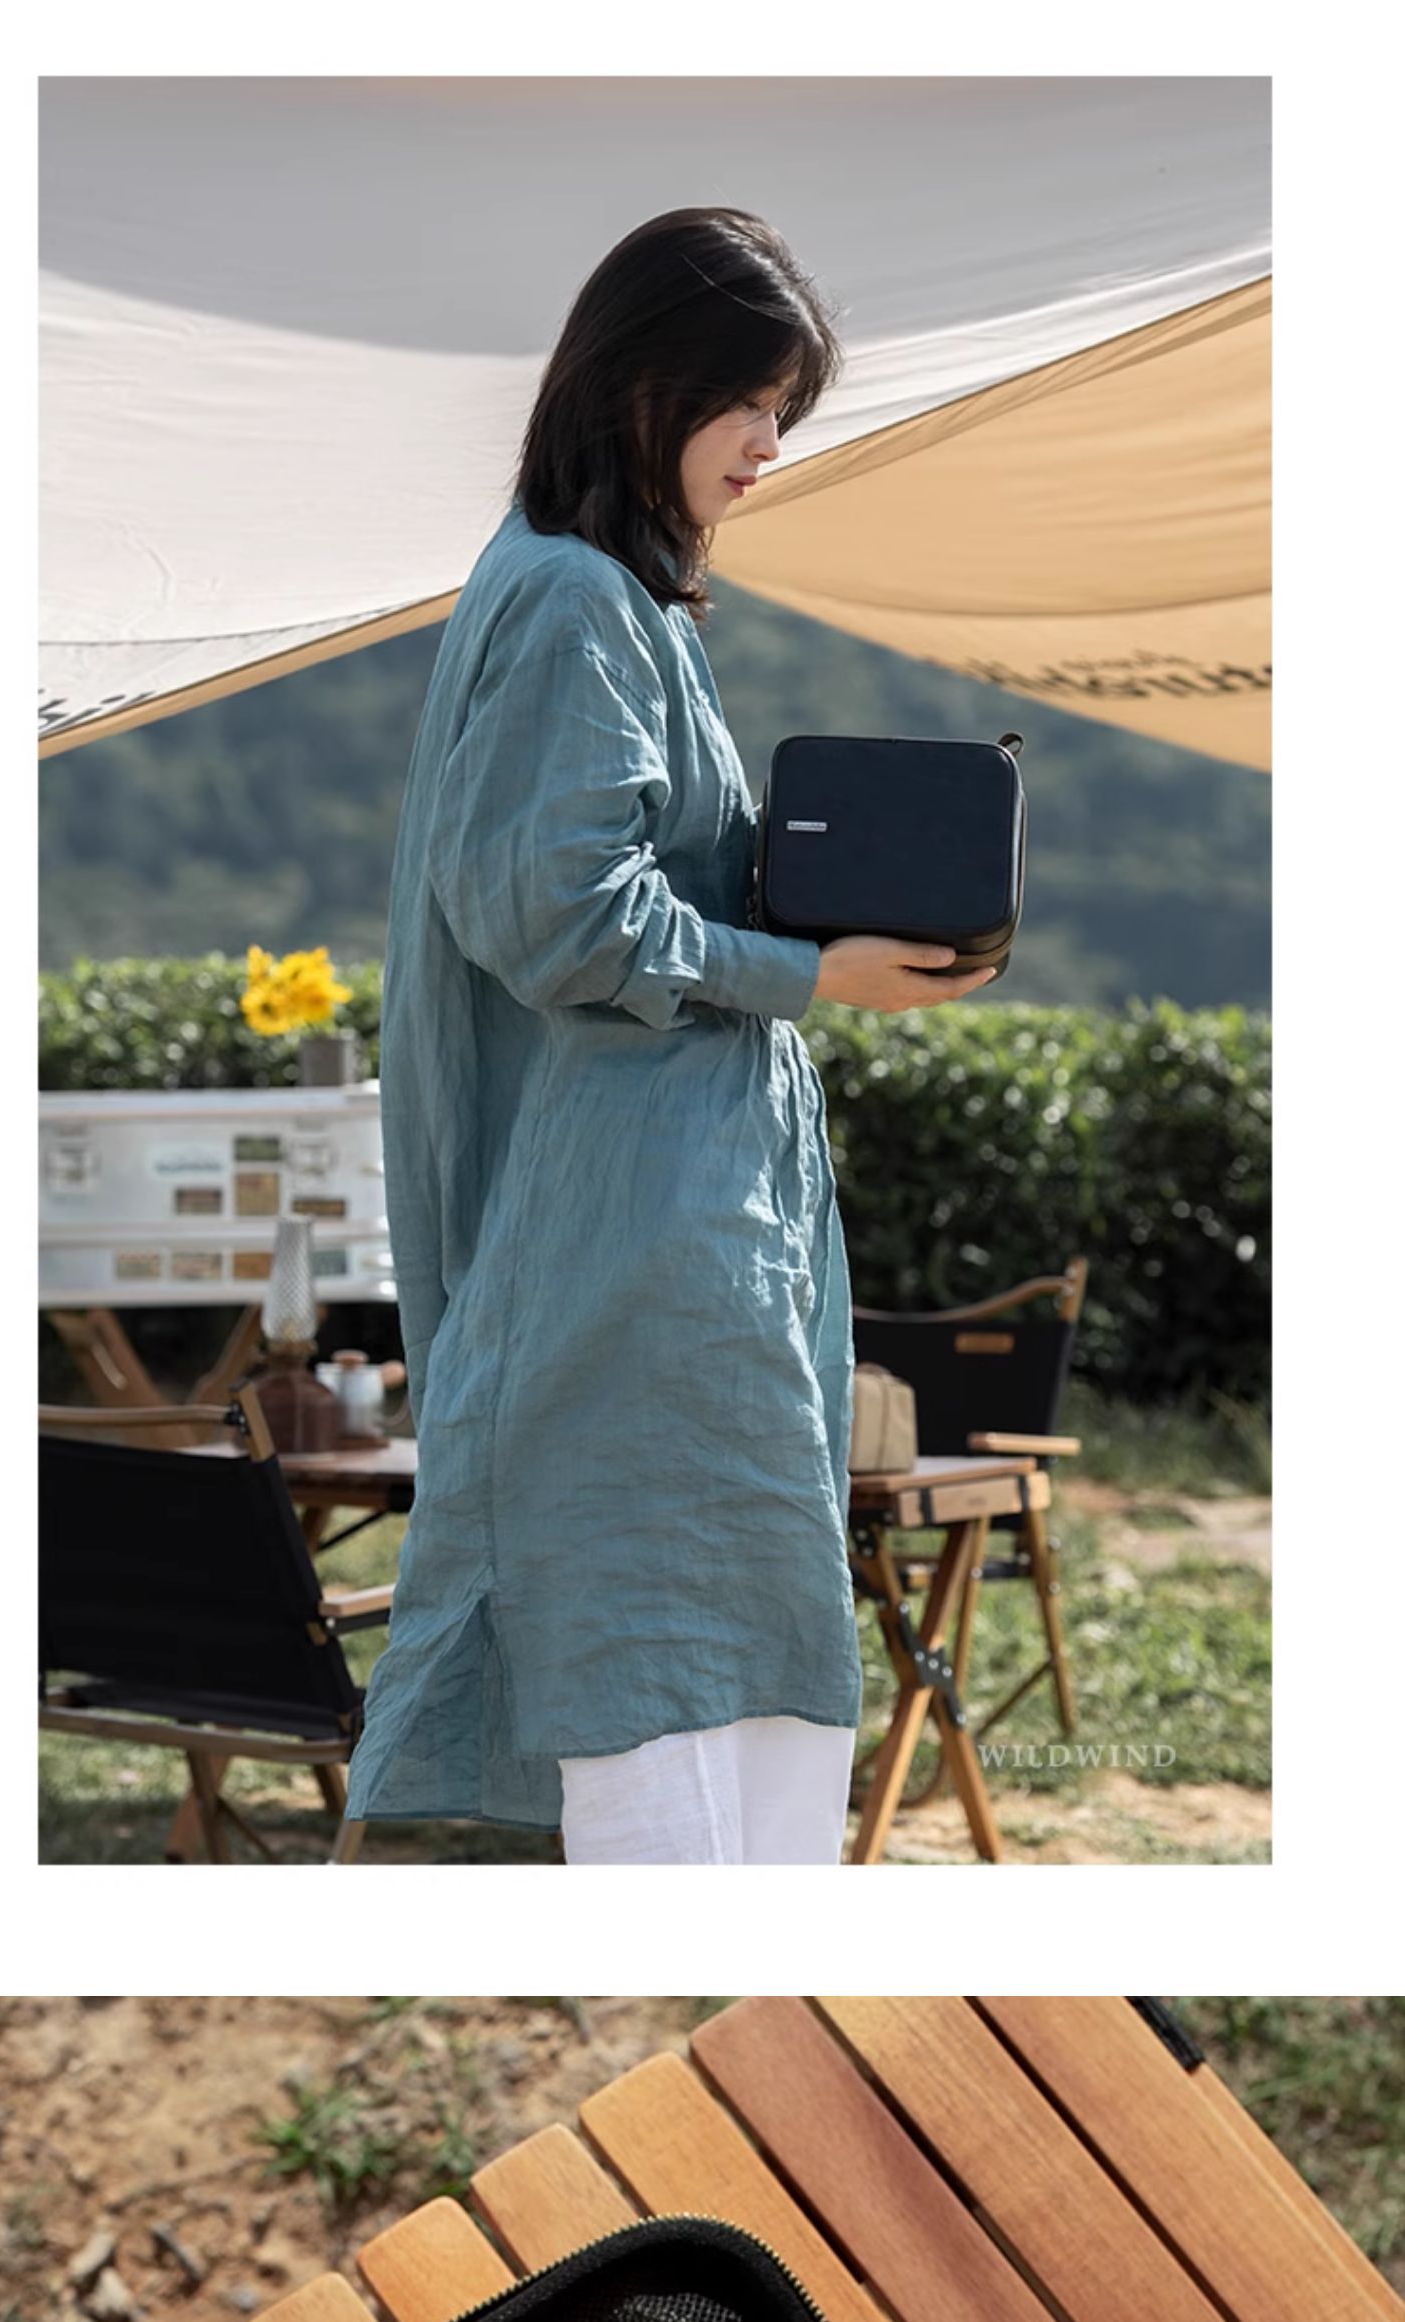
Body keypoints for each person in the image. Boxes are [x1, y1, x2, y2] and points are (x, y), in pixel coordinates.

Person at [342, 207, 997, 1864]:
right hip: (636, 1251)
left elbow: (597, 887)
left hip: (668, 1236)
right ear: (645, 382)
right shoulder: (574, 600)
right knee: (663, 1684)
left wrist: (815, 902)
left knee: (715, 1666)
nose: (771, 443)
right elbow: (562, 916)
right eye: (750, 400)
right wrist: (814, 976)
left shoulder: (610, 597)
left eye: (787, 409)